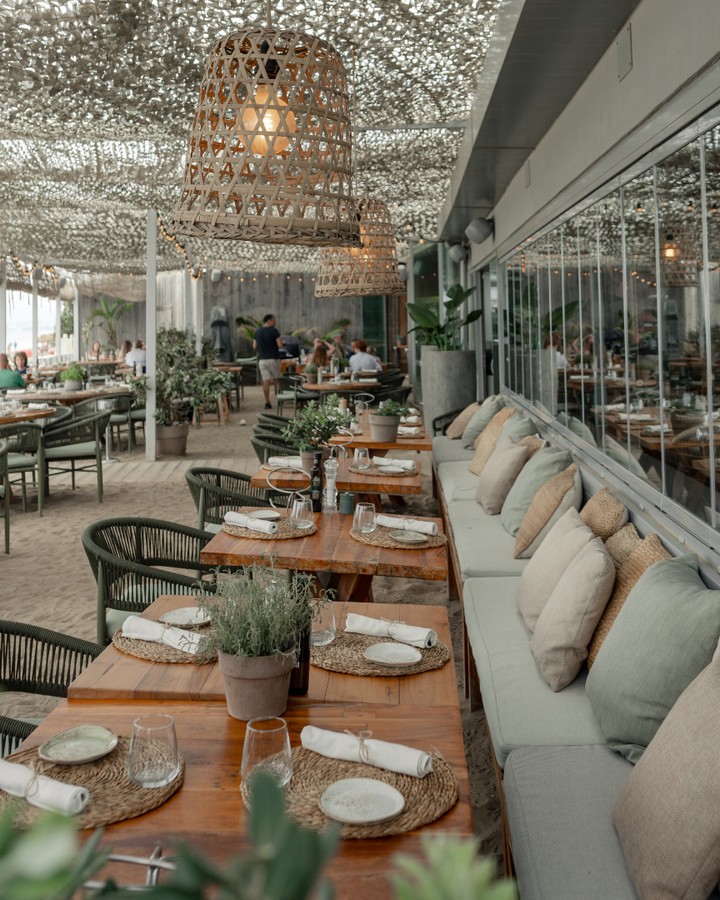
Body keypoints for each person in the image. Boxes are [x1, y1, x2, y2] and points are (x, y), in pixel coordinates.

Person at [253, 313, 282, 409]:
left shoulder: (257, 332)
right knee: (276, 379)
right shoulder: (274, 331)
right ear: (269, 320)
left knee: (265, 381)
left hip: (262, 360)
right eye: (274, 320)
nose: (275, 322)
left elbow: (254, 346)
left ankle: (267, 402)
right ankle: (279, 399)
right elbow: (280, 345)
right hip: (273, 359)